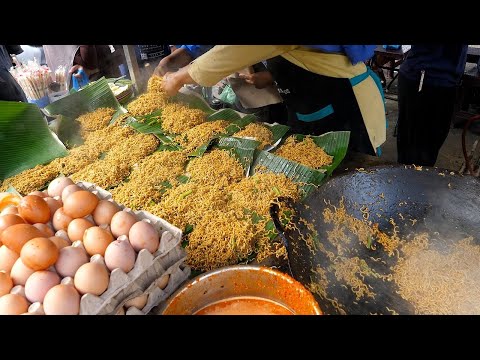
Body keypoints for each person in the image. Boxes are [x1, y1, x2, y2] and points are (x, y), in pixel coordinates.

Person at [161, 45, 386, 155]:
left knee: (356, 186)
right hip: (309, 103)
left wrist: (179, 77)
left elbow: (235, 50)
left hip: (344, 104)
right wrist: (271, 76)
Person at [396, 44, 468, 166]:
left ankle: (418, 179)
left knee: (430, 146)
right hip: (424, 79)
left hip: (445, 81)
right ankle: (408, 180)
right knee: (414, 152)